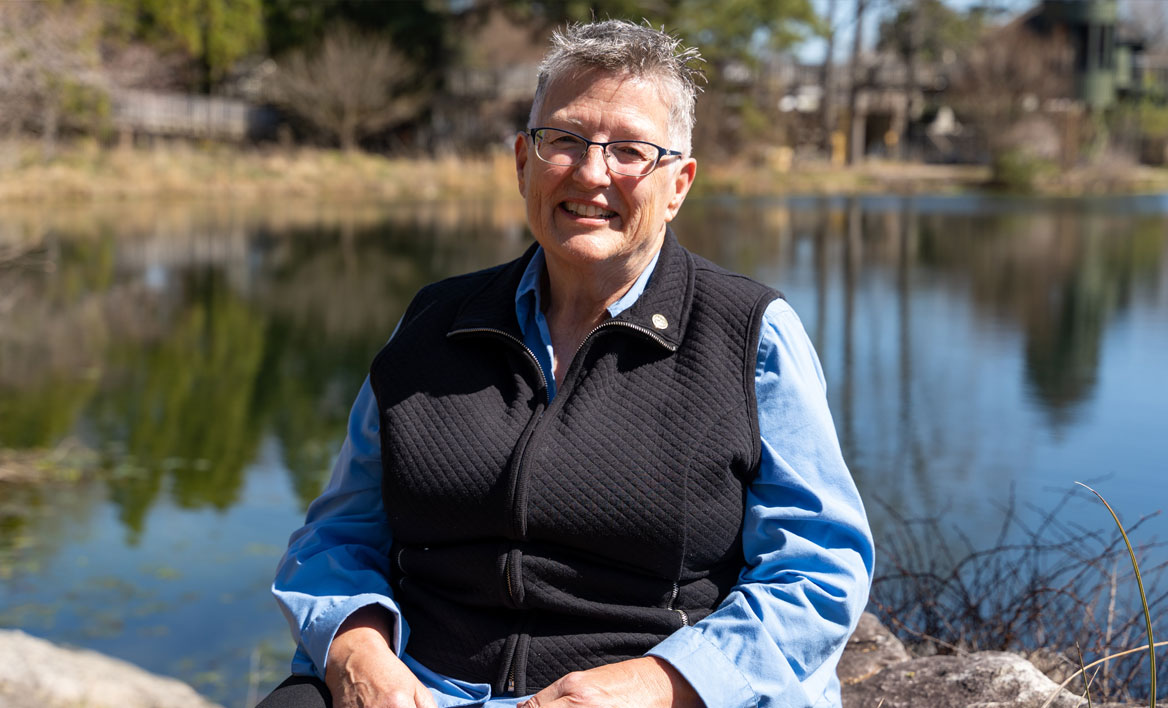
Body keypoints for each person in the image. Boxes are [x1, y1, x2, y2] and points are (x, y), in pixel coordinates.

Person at [260, 19, 873, 708]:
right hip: (422, 689)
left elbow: (819, 571)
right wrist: (357, 650)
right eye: (565, 141)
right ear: (523, 161)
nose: (591, 172)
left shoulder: (751, 337)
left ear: (679, 184)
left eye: (631, 151)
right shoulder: (434, 321)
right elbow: (340, 531)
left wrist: (659, 684)